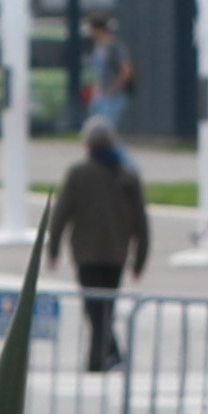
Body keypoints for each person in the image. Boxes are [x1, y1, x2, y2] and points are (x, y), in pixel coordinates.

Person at [50, 123, 153, 375]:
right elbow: (141, 222)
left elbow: (60, 214)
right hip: (116, 255)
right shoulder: (127, 176)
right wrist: (139, 258)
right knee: (103, 307)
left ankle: (99, 361)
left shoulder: (78, 174)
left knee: (95, 308)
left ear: (88, 145)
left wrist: (53, 249)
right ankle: (109, 356)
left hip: (87, 255)